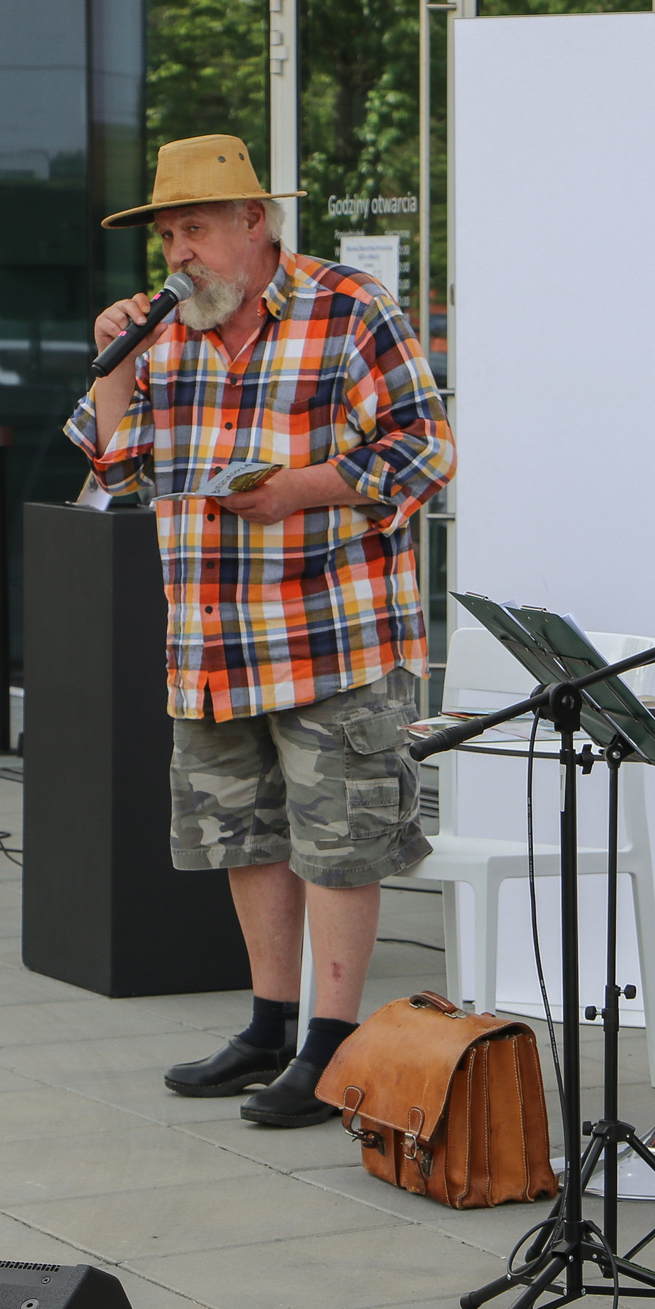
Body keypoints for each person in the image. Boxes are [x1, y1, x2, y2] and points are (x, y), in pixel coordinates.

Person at [62, 134, 454, 1127]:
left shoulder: (349, 306)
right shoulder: (166, 329)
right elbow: (115, 475)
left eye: (194, 228)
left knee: (339, 845)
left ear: (256, 222)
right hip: (213, 640)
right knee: (246, 838)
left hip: (333, 632)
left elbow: (425, 452)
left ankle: (330, 1046)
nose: (178, 253)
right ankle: (269, 1026)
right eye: (164, 236)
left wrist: (297, 492)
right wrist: (115, 364)